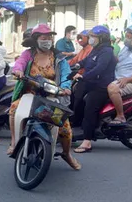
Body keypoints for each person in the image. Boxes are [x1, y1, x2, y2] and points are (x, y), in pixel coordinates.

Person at [9, 24, 80, 170]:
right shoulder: (28, 54)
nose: (47, 40)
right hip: (29, 95)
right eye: (43, 38)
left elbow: (66, 75)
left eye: (49, 37)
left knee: (64, 127)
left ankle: (67, 154)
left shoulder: (58, 58)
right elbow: (19, 64)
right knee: (14, 109)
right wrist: (18, 71)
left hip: (51, 96)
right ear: (36, 39)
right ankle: (14, 141)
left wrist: (66, 88)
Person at [72, 26, 117, 153]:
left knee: (90, 107)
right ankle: (73, 126)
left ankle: (87, 141)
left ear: (101, 38)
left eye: (93, 37)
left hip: (101, 86)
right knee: (74, 97)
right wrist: (76, 65)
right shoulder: (96, 49)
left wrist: (83, 76)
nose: (90, 39)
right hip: (90, 82)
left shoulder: (106, 51)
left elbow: (99, 68)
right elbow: (86, 61)